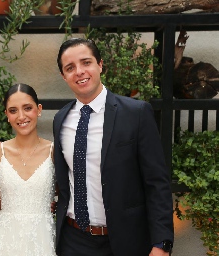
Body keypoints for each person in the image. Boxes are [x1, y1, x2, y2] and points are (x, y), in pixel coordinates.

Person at [53, 38, 174, 256]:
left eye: (86, 62)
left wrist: (161, 243)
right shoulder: (61, 119)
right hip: (73, 240)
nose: (79, 71)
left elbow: (157, 183)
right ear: (63, 76)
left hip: (125, 241)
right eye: (70, 68)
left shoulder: (136, 113)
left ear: (100, 64)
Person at [0, 83, 56, 256]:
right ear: (6, 115)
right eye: (13, 110)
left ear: (39, 109)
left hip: (43, 240)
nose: (21, 116)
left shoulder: (55, 152)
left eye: (27, 108)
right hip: (5, 242)